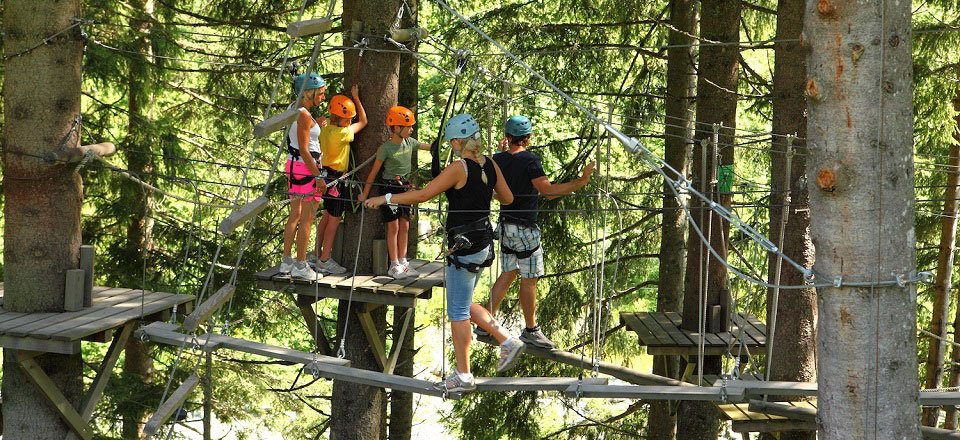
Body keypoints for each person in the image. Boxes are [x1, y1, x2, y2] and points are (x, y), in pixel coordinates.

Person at [364, 114, 525, 393]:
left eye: (451, 143)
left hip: (464, 248)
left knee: (458, 311)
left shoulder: (459, 167)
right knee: (464, 301)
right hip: (482, 244)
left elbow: (423, 195)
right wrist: (483, 191)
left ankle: (464, 375)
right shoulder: (490, 164)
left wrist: (386, 198)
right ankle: (506, 340)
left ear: (457, 141)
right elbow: (508, 198)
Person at [480, 115, 596, 350]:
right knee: (529, 280)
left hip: (505, 226)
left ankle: (485, 323)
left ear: (508, 137)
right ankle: (531, 330)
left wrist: (501, 153)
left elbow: (494, 183)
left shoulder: (496, 160)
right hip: (524, 229)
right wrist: (581, 181)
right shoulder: (530, 160)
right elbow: (548, 191)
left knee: (508, 273)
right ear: (528, 138)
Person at [358, 106, 432, 279]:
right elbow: (373, 172)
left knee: (405, 224)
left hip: (404, 187)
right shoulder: (386, 148)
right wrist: (365, 194)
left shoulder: (410, 142)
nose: (412, 129)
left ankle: (403, 262)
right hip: (389, 188)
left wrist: (444, 144)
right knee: (394, 226)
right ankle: (394, 265)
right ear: (397, 128)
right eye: (409, 127)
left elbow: (428, 147)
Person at [310, 85, 367, 274]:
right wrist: (357, 99)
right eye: (348, 118)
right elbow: (364, 122)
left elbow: (321, 122)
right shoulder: (343, 133)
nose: (351, 120)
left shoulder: (324, 127)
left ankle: (316, 253)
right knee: (334, 219)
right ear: (338, 117)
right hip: (336, 179)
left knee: (327, 215)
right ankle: (325, 258)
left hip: (325, 177)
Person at [279, 73, 328, 281]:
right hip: (306, 167)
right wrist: (318, 176)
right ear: (309, 92)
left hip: (293, 165)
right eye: (321, 93)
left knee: (295, 215)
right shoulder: (304, 116)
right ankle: (301, 264)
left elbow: (299, 136)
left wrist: (315, 123)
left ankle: (287, 261)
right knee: (307, 218)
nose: (323, 97)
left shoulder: (295, 109)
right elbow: (306, 149)